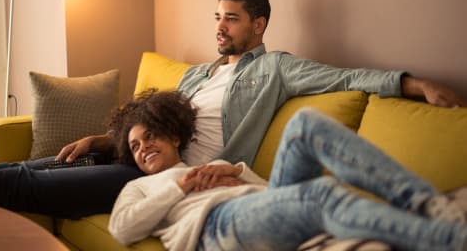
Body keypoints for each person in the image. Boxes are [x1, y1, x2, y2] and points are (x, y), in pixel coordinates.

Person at [0, 0, 465, 220]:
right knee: (16, 167)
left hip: (163, 175)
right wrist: (104, 139)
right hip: (132, 154)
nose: (220, 27)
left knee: (10, 183)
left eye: (231, 18)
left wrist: (415, 84)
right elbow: (149, 117)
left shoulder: (276, 68)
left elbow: (348, 74)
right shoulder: (198, 74)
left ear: (259, 24)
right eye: (217, 16)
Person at [107, 90, 467, 251]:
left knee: (307, 123)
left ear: (172, 135)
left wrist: (234, 172)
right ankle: (449, 241)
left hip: (258, 210)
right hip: (215, 228)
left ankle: (427, 204)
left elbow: (276, 198)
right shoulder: (141, 188)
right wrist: (181, 189)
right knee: (319, 196)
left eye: (149, 137)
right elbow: (122, 229)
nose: (143, 149)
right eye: (135, 146)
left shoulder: (208, 165)